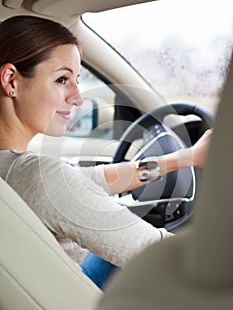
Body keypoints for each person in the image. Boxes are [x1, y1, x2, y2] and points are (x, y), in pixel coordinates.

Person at [0, 15, 212, 289]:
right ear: (10, 80)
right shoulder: (38, 175)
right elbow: (160, 253)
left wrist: (186, 158)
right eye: (62, 79)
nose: (77, 97)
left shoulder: (20, 172)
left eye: (77, 79)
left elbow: (94, 180)